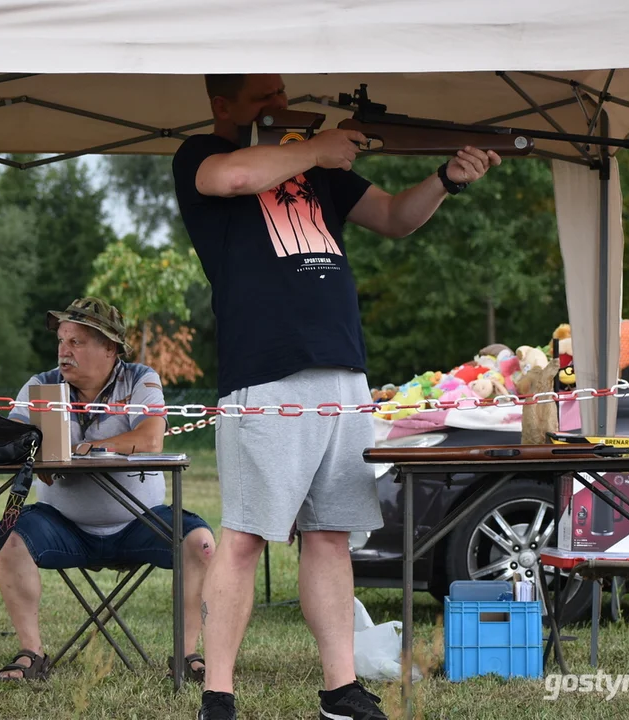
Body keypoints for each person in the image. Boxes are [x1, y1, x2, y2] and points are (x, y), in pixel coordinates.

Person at [172, 75, 501, 720]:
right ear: (222, 105)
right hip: (267, 370)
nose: (277, 103)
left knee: (330, 535)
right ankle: (218, 696)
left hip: (343, 367)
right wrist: (320, 147)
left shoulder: (312, 158)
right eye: (262, 95)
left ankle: (340, 689)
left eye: (279, 91)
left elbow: (394, 217)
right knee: (243, 537)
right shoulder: (201, 156)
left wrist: (447, 179)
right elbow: (232, 178)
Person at [0, 297, 215, 683]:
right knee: (9, 538)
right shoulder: (40, 385)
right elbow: (13, 441)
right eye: (62, 340)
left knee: (200, 543)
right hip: (63, 526)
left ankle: (187, 653)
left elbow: (151, 439)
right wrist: (35, 455)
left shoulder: (141, 378)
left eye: (77, 341)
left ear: (110, 348)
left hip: (138, 522)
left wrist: (87, 448)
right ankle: (31, 651)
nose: (64, 350)